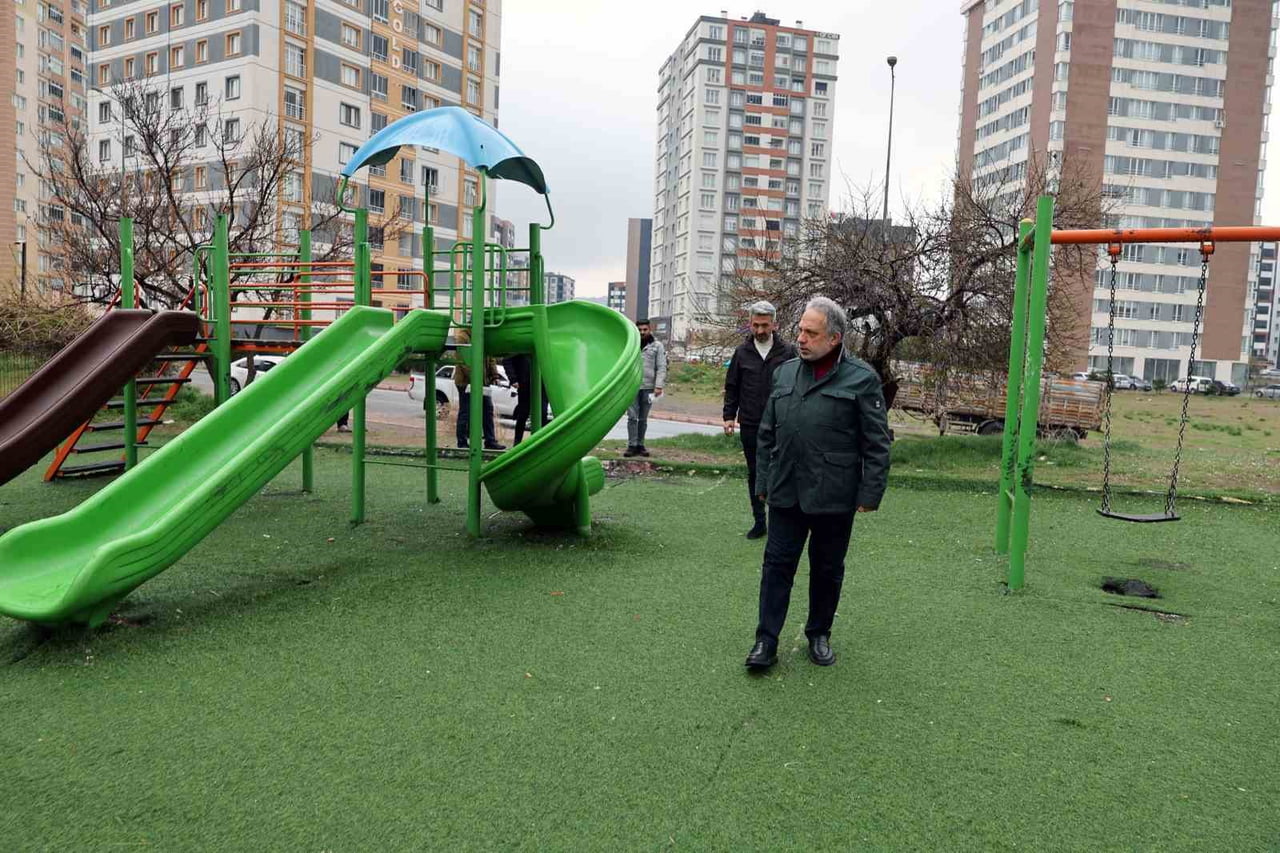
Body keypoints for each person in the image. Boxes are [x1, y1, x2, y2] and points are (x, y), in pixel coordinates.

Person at [744, 297, 892, 671]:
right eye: (800, 330)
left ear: (835, 338)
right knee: (776, 566)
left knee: (827, 569)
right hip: (785, 490)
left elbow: (877, 443)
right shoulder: (785, 372)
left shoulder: (862, 379)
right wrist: (762, 481)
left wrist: (870, 493)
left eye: (811, 333)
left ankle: (818, 634)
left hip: (834, 496)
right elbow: (766, 434)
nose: (801, 338)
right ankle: (766, 640)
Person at [722, 301, 797, 540]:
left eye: (765, 325)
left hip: (781, 423)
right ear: (750, 325)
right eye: (756, 325)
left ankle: (780, 521)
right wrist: (728, 416)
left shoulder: (788, 352)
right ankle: (759, 521)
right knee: (755, 472)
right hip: (751, 423)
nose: (761, 330)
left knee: (781, 472)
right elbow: (732, 386)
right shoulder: (741, 353)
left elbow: (799, 384)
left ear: (774, 324)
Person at [454, 329, 505, 451]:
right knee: (466, 412)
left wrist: (494, 375)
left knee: (488, 410)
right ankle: (461, 442)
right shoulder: (462, 337)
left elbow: (490, 357)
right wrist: (475, 378)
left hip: (482, 381)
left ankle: (490, 441)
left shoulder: (482, 336)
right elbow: (463, 361)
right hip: (466, 382)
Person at [624, 319, 667, 458]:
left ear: (649, 329)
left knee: (643, 419)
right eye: (640, 330)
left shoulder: (657, 346)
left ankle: (640, 445)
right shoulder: (631, 344)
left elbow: (661, 367)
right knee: (632, 417)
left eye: (645, 329)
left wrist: (659, 385)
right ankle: (631, 445)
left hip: (649, 388)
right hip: (631, 386)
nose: (642, 332)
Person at [502, 354, 552, 445]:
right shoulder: (521, 346)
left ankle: (541, 442)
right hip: (526, 385)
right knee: (523, 414)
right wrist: (513, 379)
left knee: (542, 414)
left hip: (541, 384)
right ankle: (517, 443)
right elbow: (507, 360)